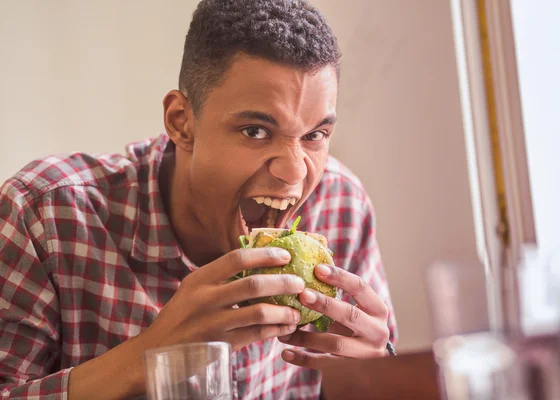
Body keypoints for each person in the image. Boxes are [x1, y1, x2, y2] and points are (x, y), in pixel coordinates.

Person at [0, 0, 398, 398]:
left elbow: (370, 379)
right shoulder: (43, 216)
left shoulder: (340, 204)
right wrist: (145, 356)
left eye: (314, 135)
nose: (295, 172)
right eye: (255, 131)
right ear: (181, 122)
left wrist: (377, 373)